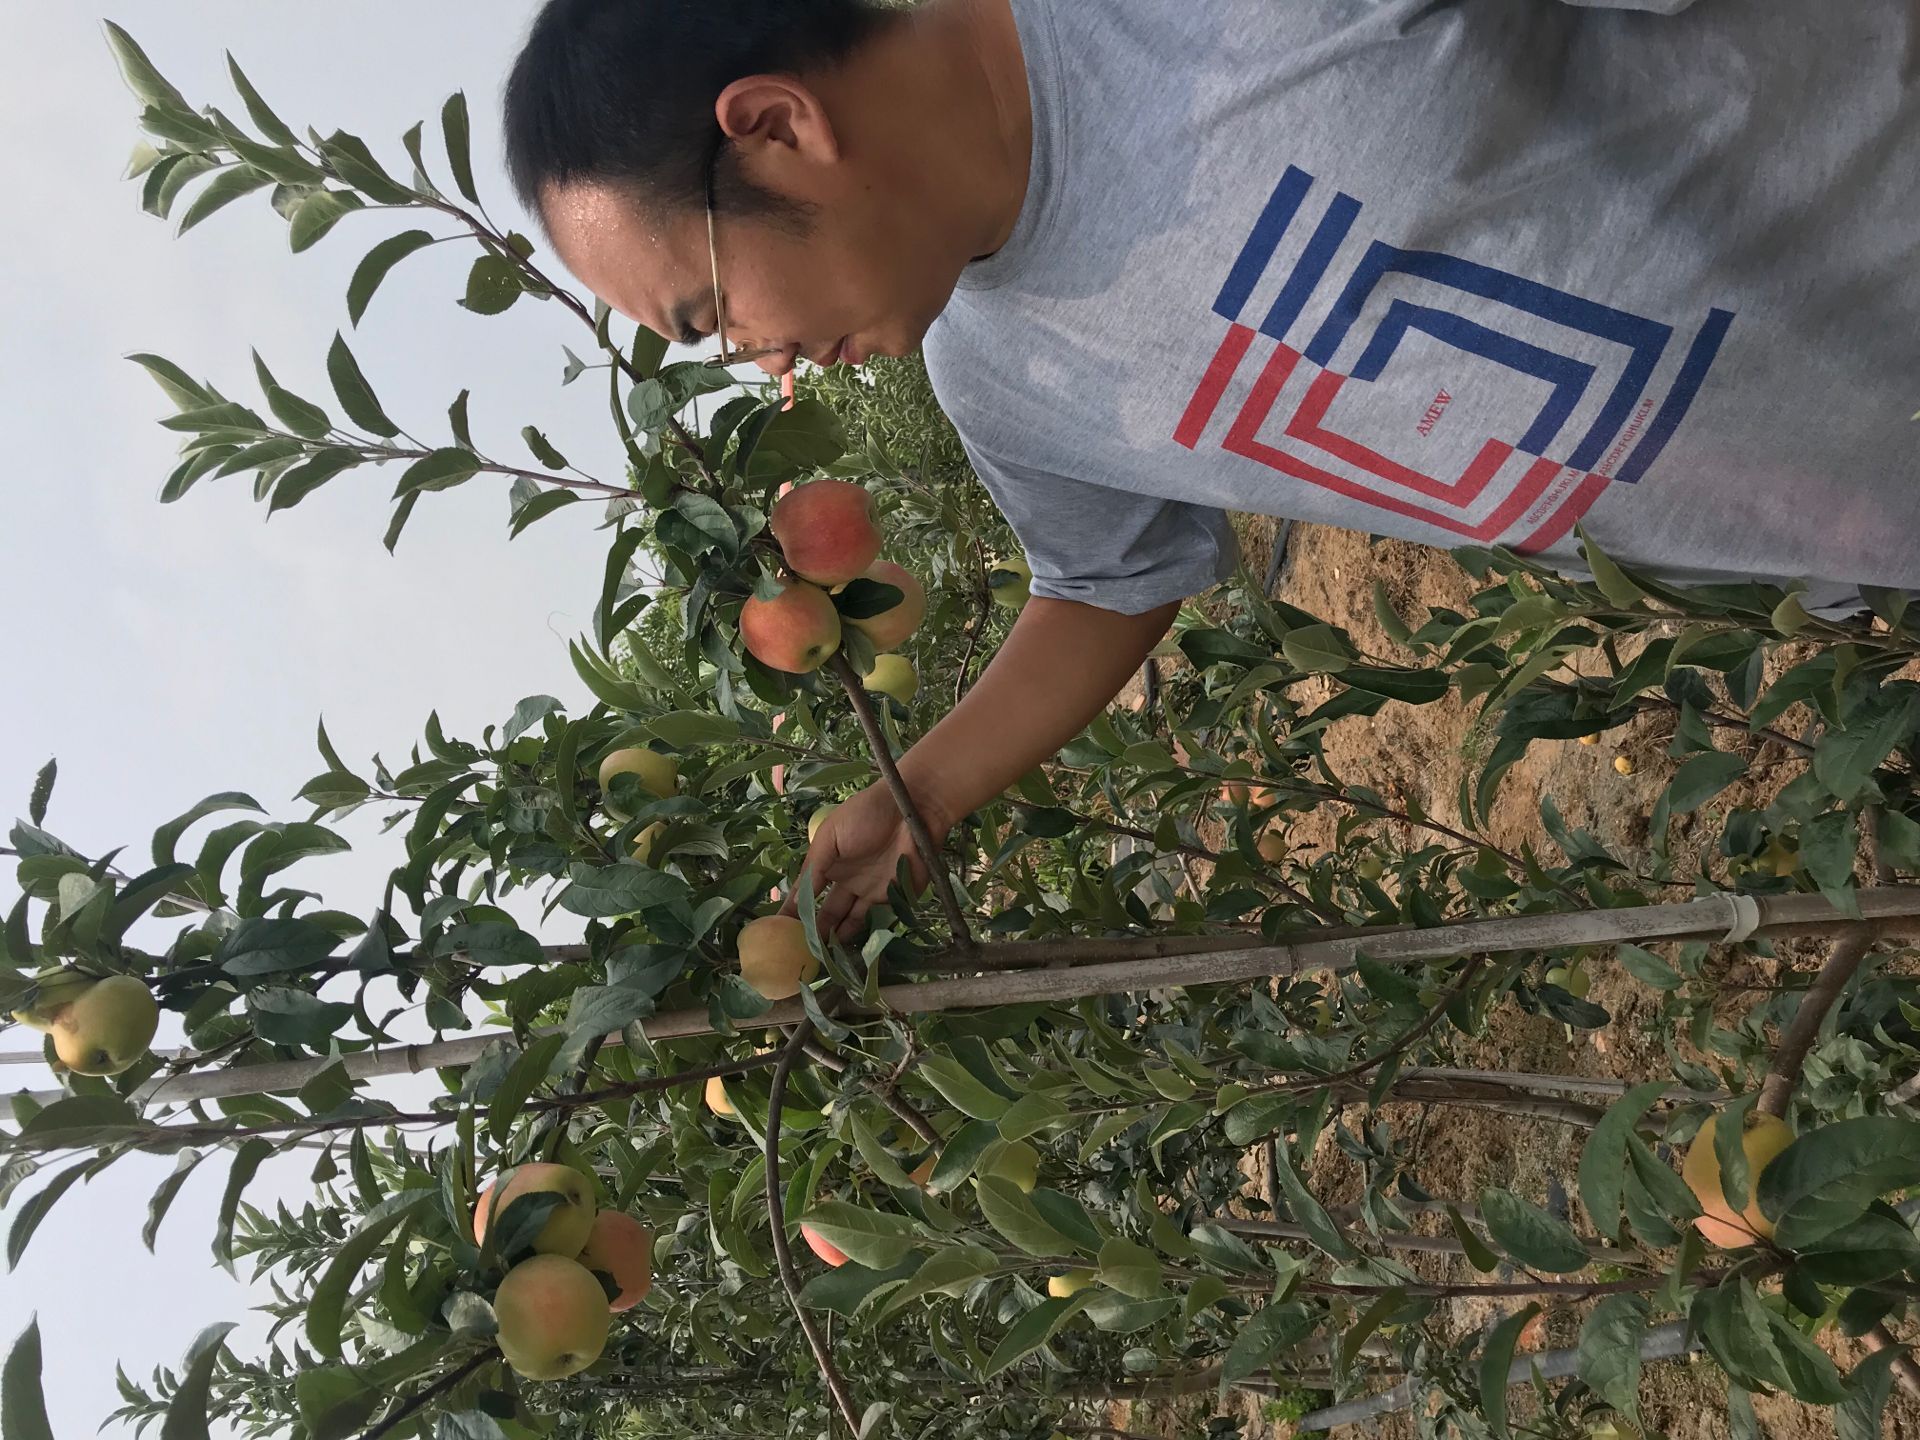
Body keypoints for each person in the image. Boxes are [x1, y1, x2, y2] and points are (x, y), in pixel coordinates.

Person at [503, 0, 1920, 938]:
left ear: (774, 127)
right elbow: (1106, 581)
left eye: (706, 307)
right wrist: (914, 799)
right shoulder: (1004, 380)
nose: (765, 362)